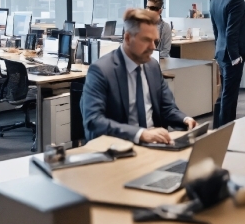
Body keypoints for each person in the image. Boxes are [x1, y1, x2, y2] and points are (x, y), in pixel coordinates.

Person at [81, 8, 197, 143]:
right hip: (121, 147)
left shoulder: (152, 66)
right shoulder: (101, 70)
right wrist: (141, 134)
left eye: (155, 41)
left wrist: (185, 120)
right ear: (128, 38)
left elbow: (168, 108)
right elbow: (94, 121)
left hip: (156, 144)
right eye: (147, 40)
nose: (153, 47)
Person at [210, 0, 245, 127]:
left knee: (224, 94)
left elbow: (216, 29)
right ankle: (225, 133)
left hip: (221, 52)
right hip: (232, 55)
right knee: (230, 96)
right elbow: (231, 31)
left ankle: (217, 129)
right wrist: (235, 57)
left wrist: (219, 49)